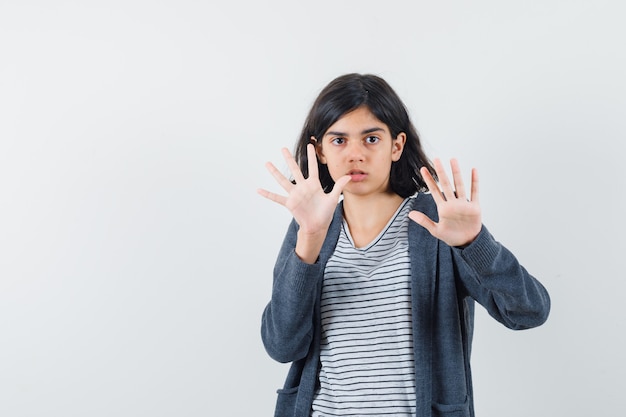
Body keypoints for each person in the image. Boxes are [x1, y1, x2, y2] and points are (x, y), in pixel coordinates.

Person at [257, 73, 550, 417]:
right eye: (339, 141)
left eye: (371, 139)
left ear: (396, 146)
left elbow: (528, 312)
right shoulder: (309, 226)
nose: (355, 154)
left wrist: (475, 243)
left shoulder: (438, 222)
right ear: (319, 149)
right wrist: (309, 239)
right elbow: (281, 345)